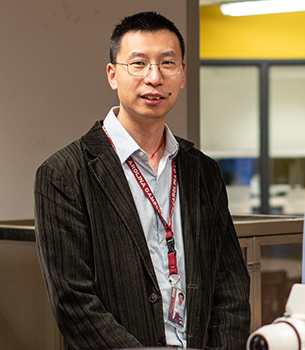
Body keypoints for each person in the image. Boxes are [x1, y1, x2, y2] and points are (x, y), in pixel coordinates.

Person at [34, 11, 250, 349]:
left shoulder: (202, 172)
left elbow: (231, 285)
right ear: (112, 75)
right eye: (138, 64)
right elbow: (73, 301)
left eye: (167, 63)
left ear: (181, 76)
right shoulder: (64, 174)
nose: (154, 77)